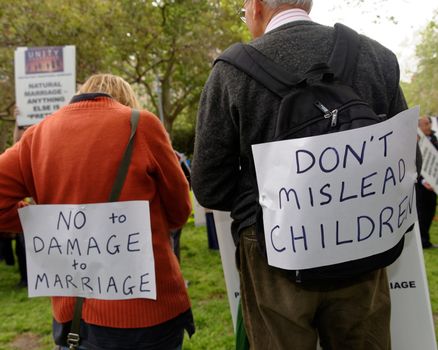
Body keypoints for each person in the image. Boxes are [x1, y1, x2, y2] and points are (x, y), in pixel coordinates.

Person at [192, 1, 408, 349]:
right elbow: (399, 154)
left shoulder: (231, 72)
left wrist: (263, 198)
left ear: (257, 6)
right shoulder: (377, 57)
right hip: (361, 239)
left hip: (272, 252)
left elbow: (208, 186)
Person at [0, 74, 194, 349]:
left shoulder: (38, 135)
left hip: (75, 317)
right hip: (149, 311)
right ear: (126, 101)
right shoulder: (142, 124)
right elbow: (179, 211)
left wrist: (45, 224)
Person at [416, 116, 438, 249]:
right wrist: (423, 181)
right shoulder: (416, 142)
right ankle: (421, 242)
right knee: (421, 213)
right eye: (425, 124)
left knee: (430, 212)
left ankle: (426, 240)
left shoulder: (434, 140)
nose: (429, 126)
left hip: (433, 185)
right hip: (421, 186)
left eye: (429, 123)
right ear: (419, 126)